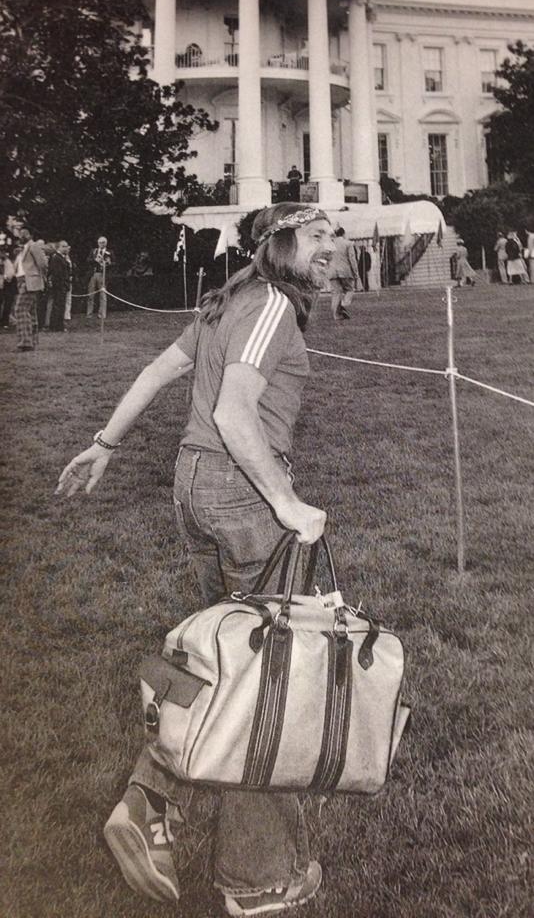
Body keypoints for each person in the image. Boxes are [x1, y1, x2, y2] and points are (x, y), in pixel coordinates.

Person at [55, 203, 335, 916]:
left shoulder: (228, 299)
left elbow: (155, 372)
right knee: (266, 683)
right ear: (280, 245)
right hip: (241, 496)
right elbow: (236, 413)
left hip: (194, 489)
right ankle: (259, 878)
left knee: (225, 664)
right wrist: (286, 503)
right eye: (320, 234)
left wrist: (105, 444)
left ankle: (153, 802)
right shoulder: (269, 301)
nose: (335, 244)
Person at [13, 226, 48, 351]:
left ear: (30, 235)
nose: (22, 236)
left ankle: (25, 342)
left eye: (25, 234)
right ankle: (32, 341)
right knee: (30, 312)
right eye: (20, 234)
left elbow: (43, 263)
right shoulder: (22, 249)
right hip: (23, 281)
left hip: (30, 282)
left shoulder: (34, 246)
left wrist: (40, 278)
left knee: (20, 310)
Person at [327, 226, 359, 320]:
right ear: (343, 233)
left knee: (336, 293)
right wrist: (355, 272)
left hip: (332, 272)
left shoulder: (329, 245)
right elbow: (352, 259)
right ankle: (343, 304)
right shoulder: (348, 243)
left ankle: (336, 315)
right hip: (345, 271)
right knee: (350, 289)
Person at [86, 236, 112, 318]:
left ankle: (102, 314)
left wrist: (109, 263)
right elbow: (88, 260)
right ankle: (89, 313)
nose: (101, 244)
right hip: (93, 274)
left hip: (103, 274)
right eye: (100, 242)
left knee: (103, 295)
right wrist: (95, 260)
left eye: (103, 242)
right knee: (91, 294)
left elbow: (114, 263)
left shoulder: (110, 252)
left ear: (106, 243)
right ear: (97, 243)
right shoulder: (94, 251)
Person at [48, 240, 71, 332]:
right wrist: (62, 284)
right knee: (58, 306)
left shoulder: (62, 257)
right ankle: (56, 326)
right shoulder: (56, 258)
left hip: (62, 285)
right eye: (63, 246)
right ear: (59, 247)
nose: (66, 248)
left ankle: (57, 325)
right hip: (59, 286)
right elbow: (57, 273)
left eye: (66, 246)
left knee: (60, 306)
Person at [0, 248, 16, 328]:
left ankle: (5, 321)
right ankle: (4, 321)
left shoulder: (7, 262)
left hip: (7, 284)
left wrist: (5, 277)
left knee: (8, 303)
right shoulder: (5, 262)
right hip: (4, 284)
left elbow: (11, 274)